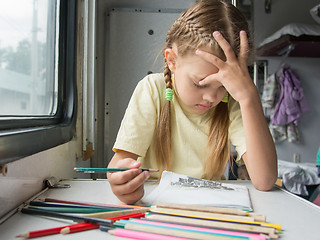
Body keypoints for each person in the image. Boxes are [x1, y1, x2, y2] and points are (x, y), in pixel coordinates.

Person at [107, 0, 278, 204]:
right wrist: (121, 180)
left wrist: (248, 96)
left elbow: (265, 179)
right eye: (199, 84)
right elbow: (119, 163)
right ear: (172, 61)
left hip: (210, 207)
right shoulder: (153, 90)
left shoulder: (232, 100)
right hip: (154, 206)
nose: (211, 97)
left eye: (222, 86)